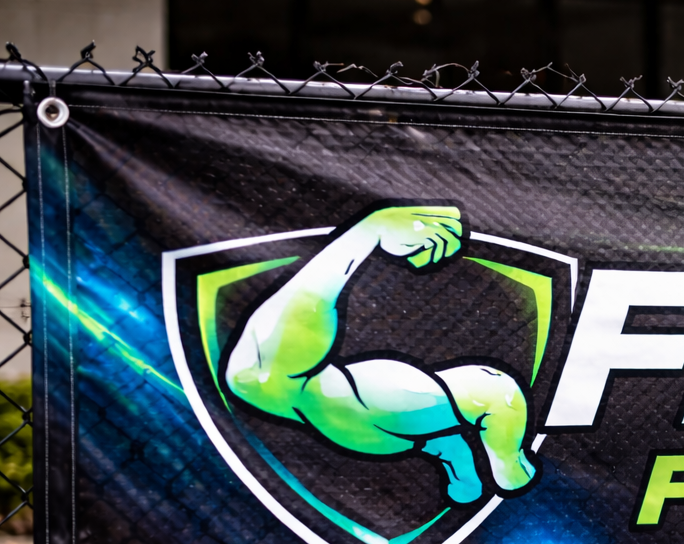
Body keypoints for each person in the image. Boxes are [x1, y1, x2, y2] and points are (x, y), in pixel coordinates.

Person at [223, 204, 536, 505]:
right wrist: (369, 231)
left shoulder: (265, 377)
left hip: (369, 413)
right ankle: (496, 470)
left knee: (482, 410)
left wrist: (370, 231)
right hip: (371, 409)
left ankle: (485, 471)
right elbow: (291, 328)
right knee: (495, 393)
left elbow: (286, 334)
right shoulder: (271, 375)